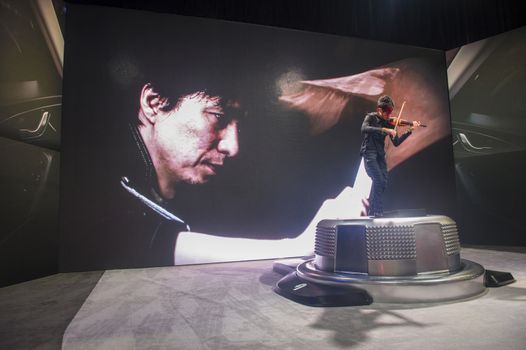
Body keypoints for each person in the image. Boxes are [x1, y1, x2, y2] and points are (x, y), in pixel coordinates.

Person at [360, 95, 421, 217]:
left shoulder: (389, 123)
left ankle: (372, 211)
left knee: (383, 182)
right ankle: (378, 211)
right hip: (369, 153)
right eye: (386, 112)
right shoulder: (371, 117)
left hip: (380, 156)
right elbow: (364, 128)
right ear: (380, 110)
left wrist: (410, 130)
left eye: (390, 112)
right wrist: (385, 130)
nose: (388, 115)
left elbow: (396, 142)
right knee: (378, 180)